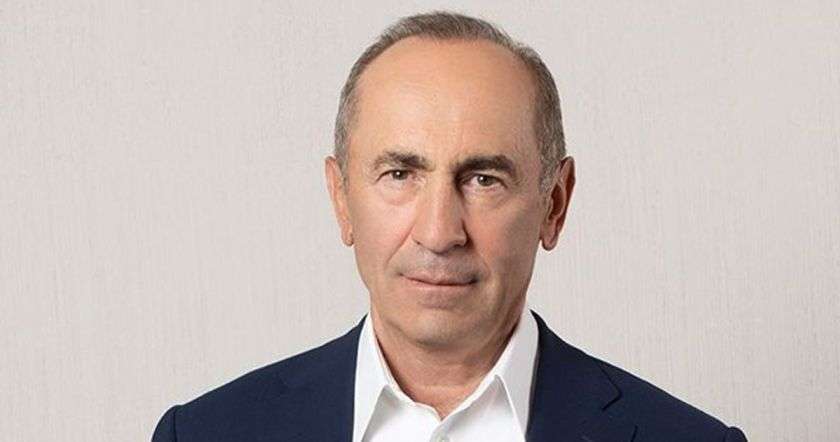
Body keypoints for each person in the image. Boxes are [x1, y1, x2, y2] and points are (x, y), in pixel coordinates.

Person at [152, 10, 747, 442]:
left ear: (554, 204)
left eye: (483, 179)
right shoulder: (204, 434)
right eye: (400, 174)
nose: (439, 233)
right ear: (341, 199)